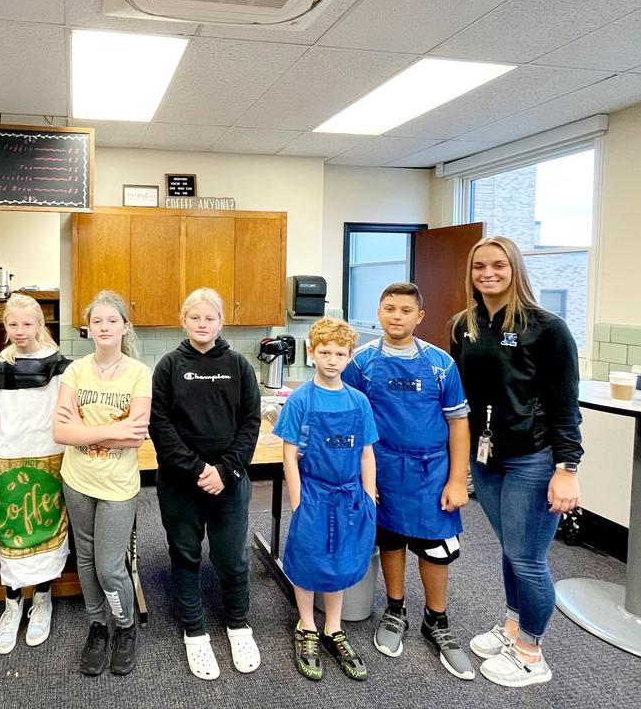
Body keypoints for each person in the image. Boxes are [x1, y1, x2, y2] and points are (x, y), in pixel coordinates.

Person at [450, 235, 582, 688]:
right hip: (487, 458)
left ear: (515, 269)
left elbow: (565, 404)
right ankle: (512, 627)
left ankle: (531, 652)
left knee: (527, 558)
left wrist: (567, 469)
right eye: (479, 266)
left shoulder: (547, 328)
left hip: (534, 458)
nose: (487, 274)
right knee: (511, 549)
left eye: (498, 266)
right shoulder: (462, 325)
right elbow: (456, 399)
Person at [342, 282, 474, 680]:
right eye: (389, 308)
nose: (396, 316)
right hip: (380, 468)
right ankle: (395, 609)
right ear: (378, 313)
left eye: (405, 310)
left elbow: (459, 423)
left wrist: (456, 479)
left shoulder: (440, 364)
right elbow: (348, 418)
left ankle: (437, 619)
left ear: (419, 317)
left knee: (434, 546)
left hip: (431, 471)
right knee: (392, 538)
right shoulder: (361, 363)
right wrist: (360, 475)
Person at [149, 288, 262, 680]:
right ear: (183, 320)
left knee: (232, 559)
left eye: (209, 318)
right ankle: (195, 632)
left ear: (220, 322)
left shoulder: (238, 365)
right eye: (195, 318)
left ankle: (237, 624)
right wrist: (198, 469)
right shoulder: (168, 366)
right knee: (185, 556)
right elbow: (159, 425)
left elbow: (251, 422)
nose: (202, 324)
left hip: (229, 481)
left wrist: (225, 470)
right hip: (181, 483)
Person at [274, 317, 377, 682]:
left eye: (339, 353)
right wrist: (298, 500)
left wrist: (369, 495)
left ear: (350, 357)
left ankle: (334, 627)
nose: (332, 360)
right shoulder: (301, 399)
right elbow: (288, 454)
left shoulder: (359, 401)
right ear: (311, 353)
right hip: (313, 493)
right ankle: (306, 625)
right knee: (307, 557)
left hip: (349, 495)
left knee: (339, 560)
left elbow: (366, 453)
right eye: (324, 352)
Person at [53, 290, 151, 677]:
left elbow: (136, 436)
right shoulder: (74, 371)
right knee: (87, 559)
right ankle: (98, 626)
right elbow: (60, 431)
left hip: (117, 485)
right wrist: (111, 429)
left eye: (112, 320)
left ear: (124, 327)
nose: (105, 327)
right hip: (76, 480)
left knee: (111, 567)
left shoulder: (139, 373)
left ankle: (124, 626)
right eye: (97, 321)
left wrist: (85, 430)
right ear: (88, 328)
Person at [0, 293, 71, 654]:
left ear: (40, 325)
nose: (20, 331)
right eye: (12, 324)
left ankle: (42, 599)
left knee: (44, 523)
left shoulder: (60, 365)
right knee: (11, 526)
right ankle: (12, 604)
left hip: (48, 453)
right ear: (4, 327)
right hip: (7, 455)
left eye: (27, 324)